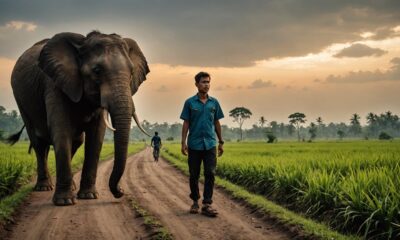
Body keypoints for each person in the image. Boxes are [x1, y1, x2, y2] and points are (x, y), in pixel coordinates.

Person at [180, 71, 224, 217]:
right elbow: (186, 122)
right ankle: (195, 201)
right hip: (194, 144)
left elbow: (217, 122)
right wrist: (183, 142)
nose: (206, 85)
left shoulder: (214, 103)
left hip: (210, 143)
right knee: (194, 174)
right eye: (203, 82)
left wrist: (221, 142)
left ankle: (207, 203)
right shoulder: (190, 103)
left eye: (208, 82)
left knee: (210, 173)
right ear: (196, 84)